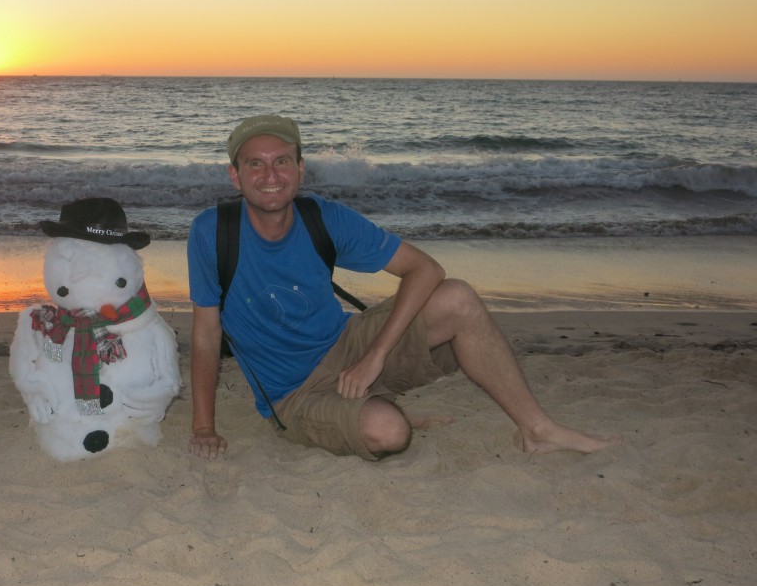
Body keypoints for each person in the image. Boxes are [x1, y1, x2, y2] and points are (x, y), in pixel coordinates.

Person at [187, 114, 621, 461]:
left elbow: (426, 270)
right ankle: (382, 410)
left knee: (458, 298)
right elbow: (207, 335)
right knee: (389, 432)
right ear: (235, 176)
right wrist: (204, 428)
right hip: (293, 395)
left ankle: (537, 430)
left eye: (282, 160)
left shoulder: (323, 217)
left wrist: (374, 357)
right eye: (255, 164)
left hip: (348, 347)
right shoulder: (213, 233)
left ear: (300, 169)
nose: (270, 174)